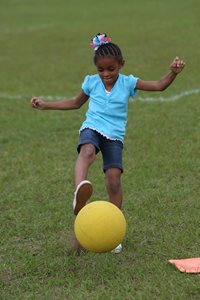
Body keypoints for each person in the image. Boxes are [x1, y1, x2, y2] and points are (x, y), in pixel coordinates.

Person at [31, 33, 185, 253]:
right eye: (101, 70)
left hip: (114, 136)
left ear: (121, 65)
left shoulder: (128, 82)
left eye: (110, 69)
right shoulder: (91, 82)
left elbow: (159, 85)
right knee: (87, 151)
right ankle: (79, 191)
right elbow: (75, 103)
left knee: (114, 182)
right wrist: (46, 105)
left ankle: (113, 231)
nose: (105, 74)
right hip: (92, 127)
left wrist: (173, 72)